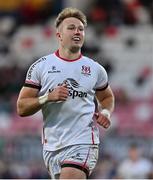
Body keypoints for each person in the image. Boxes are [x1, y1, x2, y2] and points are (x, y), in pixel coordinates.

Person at [17, 7, 115, 179]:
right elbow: (22, 107)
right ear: (59, 35)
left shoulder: (95, 69)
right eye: (71, 28)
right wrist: (48, 97)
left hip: (83, 142)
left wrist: (106, 112)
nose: (77, 32)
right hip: (52, 146)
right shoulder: (41, 67)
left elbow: (107, 96)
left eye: (81, 29)